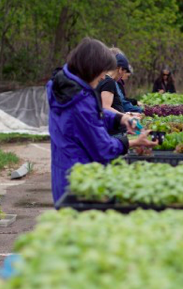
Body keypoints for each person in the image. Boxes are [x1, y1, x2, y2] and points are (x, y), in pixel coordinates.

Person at [46, 37, 157, 202]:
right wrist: (132, 142)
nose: (104, 77)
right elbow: (103, 148)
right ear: (91, 68)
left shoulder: (65, 87)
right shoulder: (79, 100)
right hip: (81, 181)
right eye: (102, 72)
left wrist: (120, 118)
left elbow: (92, 117)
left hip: (65, 173)